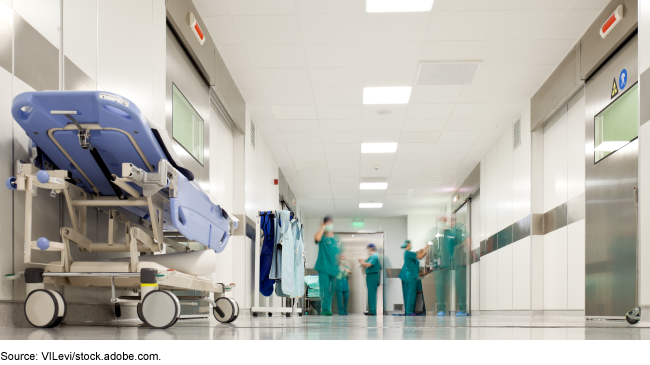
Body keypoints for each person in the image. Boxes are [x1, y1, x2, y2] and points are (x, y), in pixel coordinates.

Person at [314, 216, 340, 316]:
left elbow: (338, 253)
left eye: (331, 223)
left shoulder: (336, 239)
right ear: (324, 224)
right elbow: (317, 238)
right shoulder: (322, 237)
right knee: (325, 289)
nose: (330, 225)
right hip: (324, 267)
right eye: (327, 223)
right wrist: (322, 228)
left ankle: (327, 308)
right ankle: (325, 309)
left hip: (334, 269)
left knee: (331, 289)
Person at [399, 240, 426, 316]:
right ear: (407, 245)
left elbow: (419, 252)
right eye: (410, 244)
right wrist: (427, 247)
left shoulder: (409, 253)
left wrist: (424, 249)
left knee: (411, 293)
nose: (411, 245)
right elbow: (420, 256)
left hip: (411, 275)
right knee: (410, 293)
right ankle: (409, 311)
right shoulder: (408, 253)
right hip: (409, 276)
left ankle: (410, 310)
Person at [358, 243, 381, 316]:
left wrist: (362, 262)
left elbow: (369, 265)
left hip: (372, 276)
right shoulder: (373, 256)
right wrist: (363, 264)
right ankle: (371, 310)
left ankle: (373, 311)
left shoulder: (374, 256)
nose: (367, 250)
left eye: (368, 249)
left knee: (372, 294)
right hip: (371, 275)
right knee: (371, 293)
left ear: (371, 248)